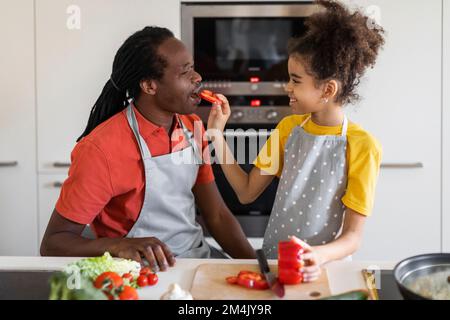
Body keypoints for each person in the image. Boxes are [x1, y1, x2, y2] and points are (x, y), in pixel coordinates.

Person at [40, 26, 256, 271]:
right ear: (149, 86)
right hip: (139, 273)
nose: (197, 78)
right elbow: (53, 244)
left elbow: (216, 214)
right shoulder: (100, 149)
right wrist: (120, 245)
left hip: (197, 259)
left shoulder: (192, 126)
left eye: (193, 67)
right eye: (185, 72)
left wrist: (257, 268)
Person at [207, 0, 385, 282]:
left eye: (295, 80)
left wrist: (320, 256)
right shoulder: (288, 128)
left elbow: (352, 237)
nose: (287, 87)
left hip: (323, 270)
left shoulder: (362, 145)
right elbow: (246, 192)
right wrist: (216, 134)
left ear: (327, 89)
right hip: (275, 267)